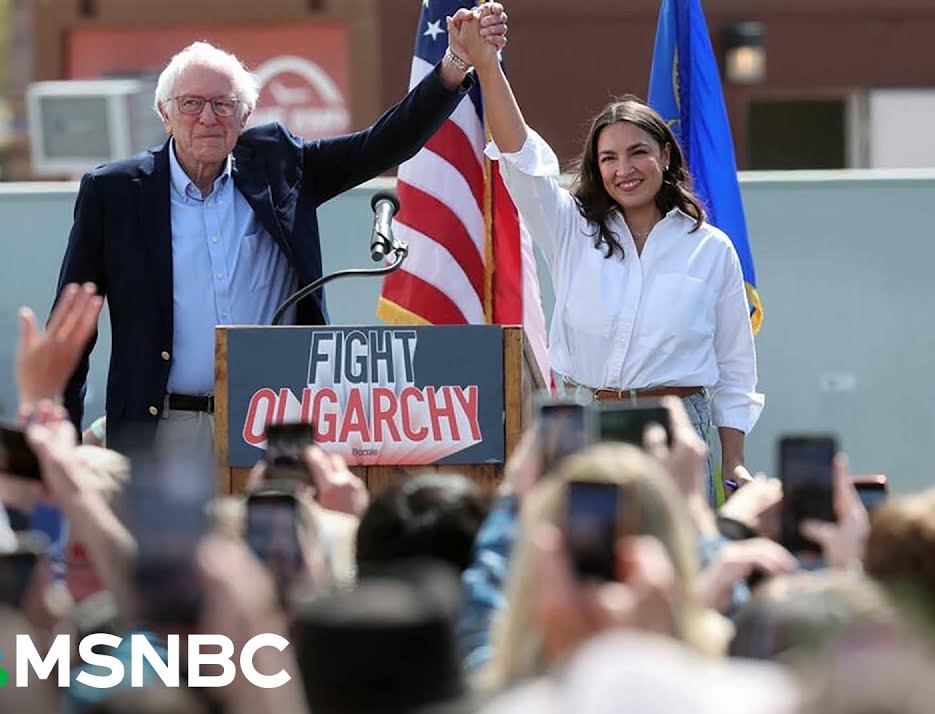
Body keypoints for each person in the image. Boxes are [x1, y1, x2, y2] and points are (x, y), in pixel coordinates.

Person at [51, 7, 509, 456]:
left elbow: (381, 144)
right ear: (164, 113)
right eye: (191, 104)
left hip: (276, 424)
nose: (208, 118)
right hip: (164, 429)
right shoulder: (114, 192)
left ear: (246, 114)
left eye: (223, 104)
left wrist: (453, 66)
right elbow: (71, 330)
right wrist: (61, 449)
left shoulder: (280, 166)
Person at [454, 15, 762, 505]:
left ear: (665, 155)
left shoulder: (711, 248)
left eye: (637, 153)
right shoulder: (570, 227)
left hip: (677, 432)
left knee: (677, 567)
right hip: (582, 426)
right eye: (608, 158)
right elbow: (520, 159)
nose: (624, 170)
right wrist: (488, 67)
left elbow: (735, 369)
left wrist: (736, 460)